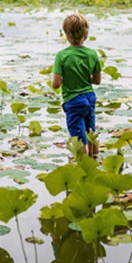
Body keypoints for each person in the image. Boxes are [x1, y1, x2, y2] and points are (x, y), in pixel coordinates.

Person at [51, 13, 102, 157]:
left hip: (73, 101)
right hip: (90, 98)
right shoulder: (92, 54)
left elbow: (56, 84)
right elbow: (97, 80)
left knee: (79, 140)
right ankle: (95, 161)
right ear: (86, 33)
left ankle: (83, 167)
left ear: (66, 33)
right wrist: (84, 79)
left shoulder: (62, 56)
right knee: (91, 134)